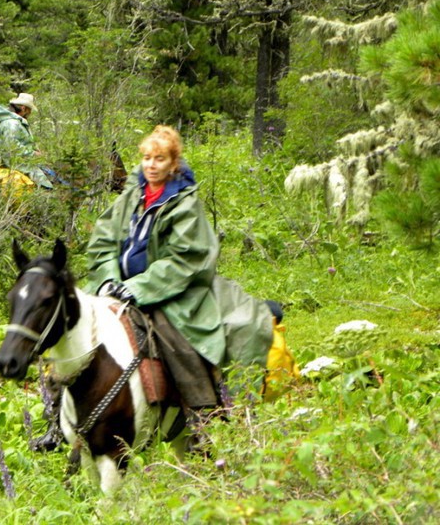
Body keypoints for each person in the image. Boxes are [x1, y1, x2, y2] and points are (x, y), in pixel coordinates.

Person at [30, 125, 296, 452]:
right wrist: (109, 279)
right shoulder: (131, 196)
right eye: (146, 158)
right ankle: (56, 422)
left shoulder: (185, 205)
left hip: (171, 292)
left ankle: (202, 420)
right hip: (115, 286)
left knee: (180, 342)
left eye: (159, 159)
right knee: (66, 328)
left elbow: (186, 258)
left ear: (173, 163)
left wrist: (138, 288)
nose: (151, 165)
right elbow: (102, 242)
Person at [0, 93, 53, 189]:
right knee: (45, 184)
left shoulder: (13, 122)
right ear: (23, 108)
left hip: (19, 161)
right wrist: (33, 153)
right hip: (14, 163)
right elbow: (12, 147)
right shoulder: (11, 123)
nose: (30, 113)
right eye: (29, 110)